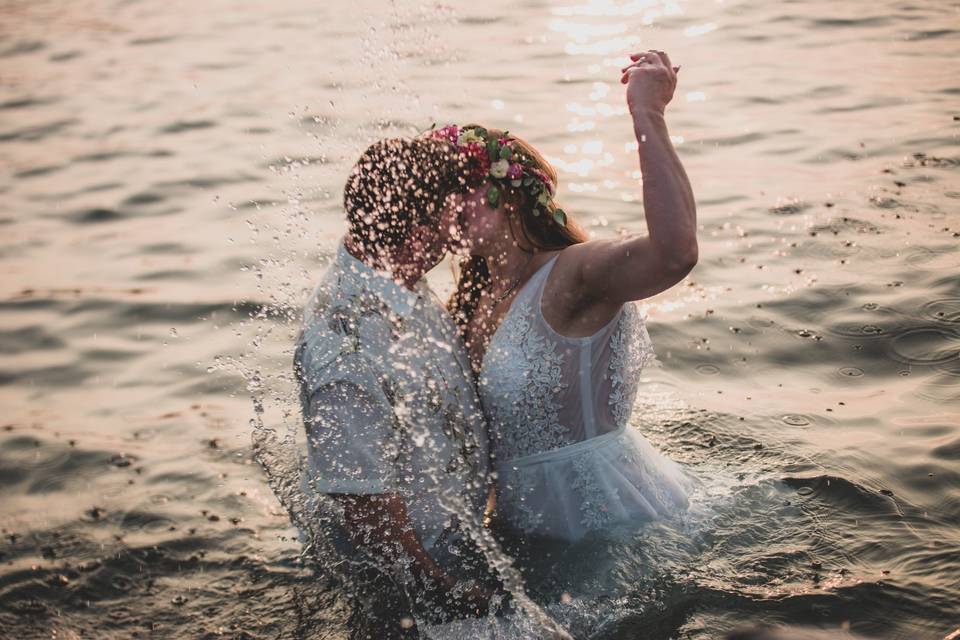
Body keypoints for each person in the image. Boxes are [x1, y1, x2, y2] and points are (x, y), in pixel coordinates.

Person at [435, 49, 696, 544]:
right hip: (524, 532)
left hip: (609, 525)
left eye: (457, 189)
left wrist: (648, 113)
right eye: (436, 194)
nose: (442, 206)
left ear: (508, 193)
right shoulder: (470, 299)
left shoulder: (573, 274)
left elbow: (675, 254)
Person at [293, 137, 505, 638]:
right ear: (415, 235)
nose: (459, 232)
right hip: (417, 577)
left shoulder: (396, 276)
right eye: (450, 222)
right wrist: (439, 586)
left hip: (461, 540)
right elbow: (362, 504)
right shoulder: (344, 349)